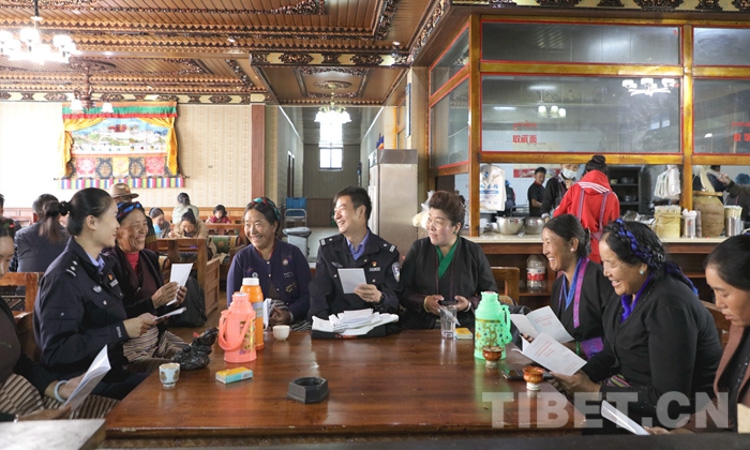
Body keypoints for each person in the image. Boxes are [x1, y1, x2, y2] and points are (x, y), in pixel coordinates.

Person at [552, 219, 722, 431]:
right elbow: (611, 352)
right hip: (637, 394)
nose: (605, 272)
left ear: (642, 264)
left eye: (612, 264)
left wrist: (594, 391)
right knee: (557, 405)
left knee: (565, 424)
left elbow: (669, 400)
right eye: (603, 263)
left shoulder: (668, 306)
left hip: (675, 418)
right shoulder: (627, 293)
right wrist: (580, 375)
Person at [34, 188, 156, 400]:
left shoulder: (100, 265)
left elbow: (107, 316)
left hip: (112, 371)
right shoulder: (64, 277)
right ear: (92, 222)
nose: (117, 225)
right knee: (166, 391)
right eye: (113, 216)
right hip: (84, 385)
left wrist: (145, 311)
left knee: (180, 374)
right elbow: (57, 351)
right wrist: (121, 330)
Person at [649, 235, 750, 433]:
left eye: (724, 293)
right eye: (714, 292)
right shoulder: (741, 326)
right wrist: (681, 434)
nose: (718, 303)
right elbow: (725, 406)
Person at [106, 201, 187, 373]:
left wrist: (172, 302)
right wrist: (153, 302)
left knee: (195, 356)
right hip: (130, 348)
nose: (143, 230)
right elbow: (113, 317)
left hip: (159, 339)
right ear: (117, 230)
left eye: (144, 223)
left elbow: (159, 311)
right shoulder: (108, 264)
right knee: (178, 370)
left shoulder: (149, 258)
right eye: (136, 225)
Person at [400, 191, 496, 330]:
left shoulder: (473, 251)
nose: (431, 226)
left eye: (438, 222)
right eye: (430, 219)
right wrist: (425, 302)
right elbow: (402, 290)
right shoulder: (418, 248)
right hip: (421, 327)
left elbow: (491, 294)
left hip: (463, 327)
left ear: (456, 227)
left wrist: (468, 304)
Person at [308, 186, 401, 320]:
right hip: (338, 326)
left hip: (374, 327)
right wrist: (325, 326)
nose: (336, 216)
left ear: (361, 211)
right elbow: (318, 298)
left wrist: (379, 298)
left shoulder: (386, 253)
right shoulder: (328, 250)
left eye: (342, 209)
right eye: (335, 211)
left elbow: (395, 302)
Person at [226, 198, 311, 330]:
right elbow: (232, 303)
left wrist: (289, 314)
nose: (252, 231)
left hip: (294, 324)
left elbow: (308, 295)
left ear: (274, 226)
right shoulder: (241, 259)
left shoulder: (293, 254)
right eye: (247, 225)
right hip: (252, 328)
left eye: (258, 224)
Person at [542, 214, 613, 358]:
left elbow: (615, 338)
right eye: (543, 243)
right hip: (566, 362)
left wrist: (577, 348)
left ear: (572, 244)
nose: (545, 251)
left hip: (598, 365)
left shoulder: (601, 280)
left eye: (548, 242)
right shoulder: (558, 286)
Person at [553, 155, 620, 264]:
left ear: (587, 172)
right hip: (599, 249)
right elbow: (615, 227)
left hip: (573, 246)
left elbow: (557, 215)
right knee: (595, 274)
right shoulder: (612, 196)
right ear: (605, 175)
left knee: (574, 274)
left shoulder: (574, 189)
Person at [12, 194, 68, 273]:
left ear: (34, 216)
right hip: (63, 281)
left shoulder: (19, 236)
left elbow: (11, 270)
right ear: (59, 215)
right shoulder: (71, 236)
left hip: (27, 281)